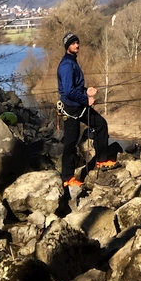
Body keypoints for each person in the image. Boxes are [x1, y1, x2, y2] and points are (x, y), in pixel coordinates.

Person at [57, 32, 115, 189]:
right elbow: (68, 91)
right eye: (73, 43)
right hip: (71, 108)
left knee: (100, 124)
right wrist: (86, 99)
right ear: (67, 46)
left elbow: (74, 88)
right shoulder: (67, 66)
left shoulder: (72, 62)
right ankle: (67, 177)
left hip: (78, 105)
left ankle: (102, 160)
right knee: (70, 142)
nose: (77, 45)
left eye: (77, 42)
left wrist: (85, 90)